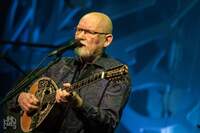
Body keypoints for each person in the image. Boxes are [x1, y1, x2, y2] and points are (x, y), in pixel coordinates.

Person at [8, 12, 131, 133]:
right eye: (78, 30)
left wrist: (79, 104)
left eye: (89, 32)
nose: (80, 36)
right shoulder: (59, 65)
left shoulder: (115, 73)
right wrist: (20, 98)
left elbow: (108, 124)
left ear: (107, 40)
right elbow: (11, 97)